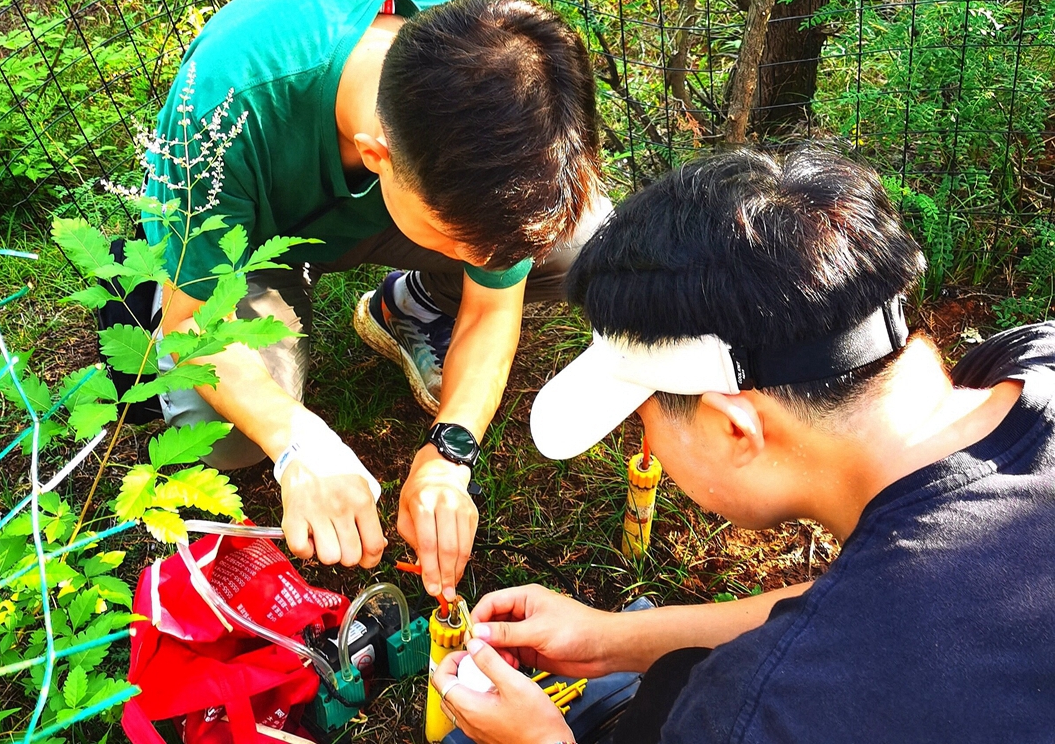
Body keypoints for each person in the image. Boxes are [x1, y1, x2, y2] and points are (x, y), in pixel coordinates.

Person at [431, 145, 1055, 743]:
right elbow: (865, 603)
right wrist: (612, 638)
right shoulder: (1033, 361)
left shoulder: (762, 712)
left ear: (736, 427)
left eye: (641, 420)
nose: (644, 442)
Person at [142, 0, 606, 599]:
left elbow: (493, 305)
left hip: (399, 203)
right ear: (376, 154)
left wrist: (451, 453)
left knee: (590, 244)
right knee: (223, 437)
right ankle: (168, 264)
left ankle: (409, 305)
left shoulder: (501, 79)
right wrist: (295, 440)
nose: (485, 267)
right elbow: (192, 325)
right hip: (247, 244)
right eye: (460, 243)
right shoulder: (225, 105)